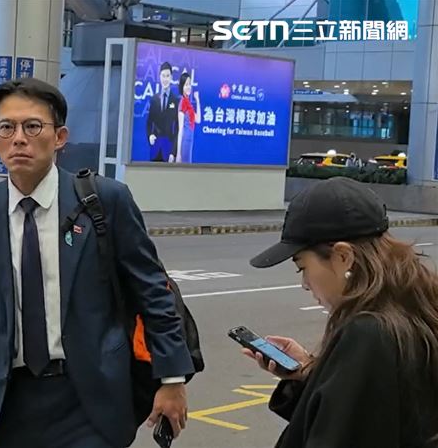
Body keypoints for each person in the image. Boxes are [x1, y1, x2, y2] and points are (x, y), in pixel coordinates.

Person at [0, 78, 194, 448]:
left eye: (33, 126)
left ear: (60, 137)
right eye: (7, 128)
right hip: (8, 403)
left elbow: (152, 292)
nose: (19, 139)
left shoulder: (105, 200)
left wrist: (172, 379)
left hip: (87, 398)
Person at [246, 176, 438, 448]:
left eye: (302, 268)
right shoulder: (414, 306)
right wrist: (314, 372)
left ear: (343, 256)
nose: (305, 284)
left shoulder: (368, 334)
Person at [146, 62, 179, 162]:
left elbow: (177, 129)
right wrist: (150, 135)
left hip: (168, 148)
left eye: (167, 76)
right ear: (160, 77)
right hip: (155, 146)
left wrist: (173, 152)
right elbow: (149, 123)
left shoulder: (175, 100)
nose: (165, 79)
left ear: (171, 77)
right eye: (163, 76)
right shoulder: (154, 99)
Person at [176, 72, 201, 164]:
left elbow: (198, 120)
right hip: (185, 141)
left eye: (189, 84)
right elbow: (180, 130)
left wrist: (197, 100)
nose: (188, 87)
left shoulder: (189, 103)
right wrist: (178, 153)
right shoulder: (183, 102)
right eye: (186, 85)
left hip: (190, 140)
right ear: (182, 87)